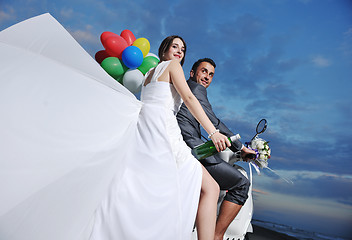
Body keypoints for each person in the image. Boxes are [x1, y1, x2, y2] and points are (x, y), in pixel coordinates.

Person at [0, 14, 230, 240]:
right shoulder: (172, 67)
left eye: (182, 49)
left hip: (149, 133)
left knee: (153, 189)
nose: (179, 51)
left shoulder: (149, 74)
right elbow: (189, 99)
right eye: (175, 47)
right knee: (210, 188)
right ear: (164, 51)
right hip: (165, 134)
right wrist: (213, 131)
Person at [176, 58, 256, 240]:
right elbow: (214, 121)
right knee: (241, 184)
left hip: (187, 144)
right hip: (193, 150)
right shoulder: (196, 89)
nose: (207, 77)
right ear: (192, 73)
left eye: (211, 75)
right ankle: (216, 235)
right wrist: (241, 147)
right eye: (203, 71)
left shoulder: (183, 87)